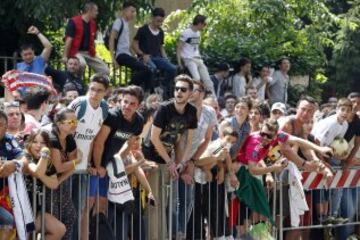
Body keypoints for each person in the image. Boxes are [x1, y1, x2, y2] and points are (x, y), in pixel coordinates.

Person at [142, 74, 197, 240]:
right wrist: (171, 162)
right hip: (150, 158)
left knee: (165, 203)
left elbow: (187, 141)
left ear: (190, 93)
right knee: (153, 204)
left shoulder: (191, 111)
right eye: (176, 88)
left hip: (168, 160)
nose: (179, 92)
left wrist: (181, 163)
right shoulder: (164, 108)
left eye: (183, 89)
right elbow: (153, 137)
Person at [92, 85, 144, 238]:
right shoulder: (113, 116)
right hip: (95, 165)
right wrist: (99, 166)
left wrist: (117, 161)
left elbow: (129, 143)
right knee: (94, 206)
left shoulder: (138, 121)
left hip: (109, 165)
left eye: (131, 104)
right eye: (124, 102)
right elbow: (99, 142)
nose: (126, 106)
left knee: (104, 207)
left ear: (138, 106)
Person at [172, 80, 217, 238]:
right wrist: (181, 165)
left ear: (203, 93)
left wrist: (192, 161)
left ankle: (181, 234)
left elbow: (207, 139)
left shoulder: (210, 112)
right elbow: (177, 141)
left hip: (190, 160)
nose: (190, 93)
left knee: (187, 202)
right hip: (174, 160)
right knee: (174, 202)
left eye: (195, 90)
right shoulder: (181, 109)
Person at [67, 74, 109, 239]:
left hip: (83, 168)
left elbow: (94, 139)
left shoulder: (104, 109)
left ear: (106, 92)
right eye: (92, 89)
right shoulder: (78, 104)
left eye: (99, 91)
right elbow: (65, 134)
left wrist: (90, 163)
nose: (94, 93)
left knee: (80, 208)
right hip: (68, 167)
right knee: (67, 209)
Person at [311, 98, 352, 226]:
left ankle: (332, 214)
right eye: (342, 109)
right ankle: (323, 215)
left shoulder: (345, 125)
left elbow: (335, 142)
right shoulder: (330, 123)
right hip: (314, 151)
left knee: (336, 182)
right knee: (322, 182)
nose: (345, 113)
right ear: (337, 109)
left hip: (328, 154)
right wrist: (323, 163)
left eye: (348, 110)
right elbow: (317, 141)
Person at [22, 129, 66, 240]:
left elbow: (54, 183)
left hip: (35, 210)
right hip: (19, 210)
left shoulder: (47, 161)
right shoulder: (24, 156)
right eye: (35, 142)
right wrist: (44, 155)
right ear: (29, 143)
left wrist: (42, 171)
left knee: (59, 229)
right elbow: (36, 171)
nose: (38, 146)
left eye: (42, 143)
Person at [47, 108, 80, 240]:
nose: (75, 124)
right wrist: (76, 161)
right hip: (45, 184)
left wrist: (59, 182)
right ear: (60, 124)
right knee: (53, 221)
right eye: (71, 121)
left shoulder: (69, 139)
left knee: (70, 215)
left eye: (76, 120)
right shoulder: (52, 137)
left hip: (58, 183)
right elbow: (58, 167)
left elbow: (71, 166)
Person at [132, 7, 177, 99]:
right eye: (158, 21)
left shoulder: (161, 32)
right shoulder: (143, 30)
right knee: (153, 68)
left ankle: (161, 87)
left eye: (161, 21)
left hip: (157, 57)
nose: (159, 23)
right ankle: (150, 91)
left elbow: (161, 47)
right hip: (145, 57)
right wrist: (142, 54)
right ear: (152, 18)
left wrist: (165, 58)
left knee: (172, 68)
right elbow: (134, 44)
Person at [109, 2, 152, 91]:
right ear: (124, 11)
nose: (133, 14)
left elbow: (126, 44)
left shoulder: (126, 24)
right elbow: (111, 39)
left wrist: (134, 55)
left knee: (147, 70)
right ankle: (128, 89)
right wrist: (113, 59)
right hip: (121, 55)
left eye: (134, 12)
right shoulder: (118, 22)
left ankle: (144, 92)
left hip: (126, 54)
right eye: (132, 11)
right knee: (146, 70)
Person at [63, 2, 109, 75]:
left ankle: (93, 84)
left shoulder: (93, 24)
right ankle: (76, 82)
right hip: (75, 52)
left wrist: (95, 54)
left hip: (88, 52)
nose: (97, 13)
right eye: (96, 11)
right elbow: (69, 40)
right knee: (82, 64)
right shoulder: (74, 21)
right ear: (89, 11)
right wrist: (65, 56)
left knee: (105, 70)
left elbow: (92, 41)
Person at [0, 110, 24, 240]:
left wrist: (14, 164)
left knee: (19, 220)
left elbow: (24, 157)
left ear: (6, 126)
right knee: (7, 219)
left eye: (0, 124)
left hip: (5, 196)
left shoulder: (9, 140)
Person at [176, 15, 215, 94]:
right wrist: (179, 63)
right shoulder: (186, 32)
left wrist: (200, 57)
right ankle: (194, 96)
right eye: (204, 24)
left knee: (208, 81)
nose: (205, 26)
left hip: (198, 58)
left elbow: (196, 47)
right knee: (196, 79)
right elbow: (179, 48)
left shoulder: (198, 33)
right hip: (189, 59)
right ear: (199, 23)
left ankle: (214, 100)